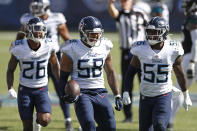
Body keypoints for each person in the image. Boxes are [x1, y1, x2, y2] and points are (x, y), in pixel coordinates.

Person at [122, 16, 192, 131]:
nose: (151, 35)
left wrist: (186, 95)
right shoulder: (140, 48)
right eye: (149, 31)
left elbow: (179, 73)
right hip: (145, 95)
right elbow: (130, 73)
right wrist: (125, 91)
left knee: (159, 125)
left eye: (155, 32)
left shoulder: (173, 49)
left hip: (163, 95)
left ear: (164, 33)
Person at [59, 16, 123, 131]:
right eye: (92, 34)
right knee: (89, 124)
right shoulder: (72, 48)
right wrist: (64, 94)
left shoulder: (105, 46)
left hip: (100, 91)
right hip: (82, 93)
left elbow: (110, 72)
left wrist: (117, 95)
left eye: (98, 34)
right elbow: (63, 77)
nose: (96, 37)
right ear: (83, 33)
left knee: (110, 126)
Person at [16, 0, 73, 130]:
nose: (35, 8)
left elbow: (66, 37)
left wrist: (74, 53)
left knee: (61, 88)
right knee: (35, 88)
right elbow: (20, 39)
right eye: (34, 5)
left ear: (46, 7)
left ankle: (67, 119)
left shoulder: (56, 18)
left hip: (53, 56)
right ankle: (35, 116)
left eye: (39, 6)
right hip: (35, 57)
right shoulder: (28, 19)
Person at [7, 17, 60, 131]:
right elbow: (10, 69)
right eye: (37, 29)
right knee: (27, 126)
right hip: (24, 89)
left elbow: (55, 64)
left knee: (45, 120)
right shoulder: (19, 47)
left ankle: (38, 120)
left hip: (42, 89)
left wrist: (61, 81)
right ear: (29, 30)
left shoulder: (49, 45)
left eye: (42, 29)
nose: (40, 32)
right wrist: (10, 88)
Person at [108, 0, 148, 123]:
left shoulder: (140, 13)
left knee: (146, 84)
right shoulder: (120, 14)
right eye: (122, 1)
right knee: (127, 84)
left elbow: (150, 28)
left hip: (142, 53)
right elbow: (113, 13)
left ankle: (147, 113)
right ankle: (128, 116)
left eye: (126, 1)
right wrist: (110, 3)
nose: (124, 3)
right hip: (127, 53)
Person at [169, 0, 197, 130]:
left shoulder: (194, 17)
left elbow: (196, 42)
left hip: (191, 58)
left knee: (179, 90)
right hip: (191, 56)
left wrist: (192, 61)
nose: (185, 4)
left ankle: (169, 121)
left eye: (188, 2)